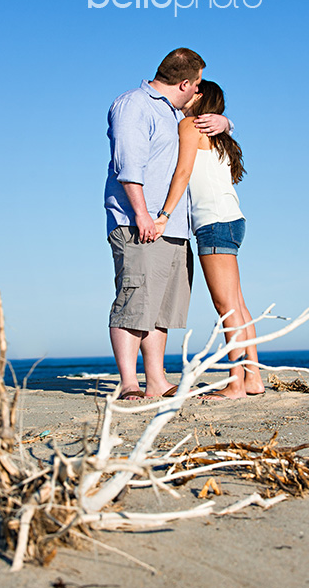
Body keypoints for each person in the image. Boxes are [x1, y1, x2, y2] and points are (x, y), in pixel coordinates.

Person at [104, 48, 230, 400]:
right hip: (138, 222)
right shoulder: (135, 105)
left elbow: (207, 133)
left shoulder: (174, 114)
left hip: (173, 227)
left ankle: (156, 380)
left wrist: (226, 121)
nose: (199, 91)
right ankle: (129, 383)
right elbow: (127, 165)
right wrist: (142, 214)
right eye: (198, 84)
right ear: (186, 82)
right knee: (133, 304)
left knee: (160, 309)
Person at [154, 80, 262, 399]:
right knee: (237, 304)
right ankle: (252, 378)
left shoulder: (190, 126)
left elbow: (183, 172)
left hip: (213, 223)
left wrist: (164, 214)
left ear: (198, 97)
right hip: (231, 220)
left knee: (226, 307)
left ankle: (235, 383)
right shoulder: (220, 135)